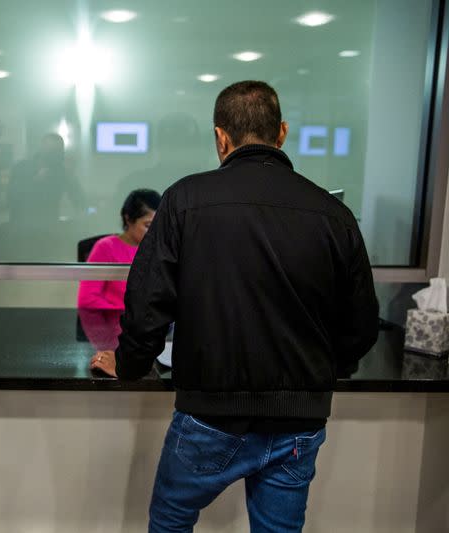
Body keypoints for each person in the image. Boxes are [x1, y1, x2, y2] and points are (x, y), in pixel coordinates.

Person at [89, 81, 379, 532]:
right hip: (299, 419)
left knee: (170, 522)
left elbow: (148, 303)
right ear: (281, 133)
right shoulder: (333, 215)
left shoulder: (184, 200)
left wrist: (128, 365)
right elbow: (361, 326)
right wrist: (321, 370)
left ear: (221, 138)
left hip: (210, 412)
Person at [77, 189, 161, 310]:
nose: (154, 231)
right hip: (115, 323)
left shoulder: (161, 248)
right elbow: (87, 300)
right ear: (128, 219)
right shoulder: (106, 248)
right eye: (148, 225)